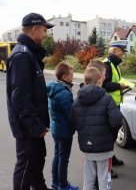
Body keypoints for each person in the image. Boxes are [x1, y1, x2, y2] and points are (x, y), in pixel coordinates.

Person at [6, 13, 54, 190]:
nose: (46, 34)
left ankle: (39, 187)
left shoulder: (29, 54)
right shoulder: (22, 56)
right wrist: (35, 126)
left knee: (37, 159)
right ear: (34, 30)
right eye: (44, 30)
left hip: (34, 125)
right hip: (28, 128)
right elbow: (20, 99)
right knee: (25, 166)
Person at [71, 67, 122, 190]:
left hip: (86, 147)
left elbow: (73, 123)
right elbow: (116, 121)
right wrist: (112, 136)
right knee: (104, 178)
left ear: (85, 80)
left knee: (88, 179)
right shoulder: (107, 99)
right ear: (100, 81)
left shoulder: (77, 101)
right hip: (104, 148)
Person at [47, 62, 79, 190]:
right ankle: (63, 185)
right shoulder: (64, 93)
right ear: (65, 77)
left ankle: (55, 183)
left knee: (58, 155)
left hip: (56, 128)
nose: (73, 77)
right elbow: (70, 114)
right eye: (72, 75)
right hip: (64, 131)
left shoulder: (54, 88)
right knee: (63, 159)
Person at [102, 41, 129, 168]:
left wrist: (120, 87)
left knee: (112, 135)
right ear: (114, 51)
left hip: (114, 105)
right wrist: (119, 86)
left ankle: (111, 158)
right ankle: (107, 165)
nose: (123, 54)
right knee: (107, 136)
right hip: (108, 106)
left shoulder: (114, 64)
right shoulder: (107, 65)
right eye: (122, 51)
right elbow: (104, 85)